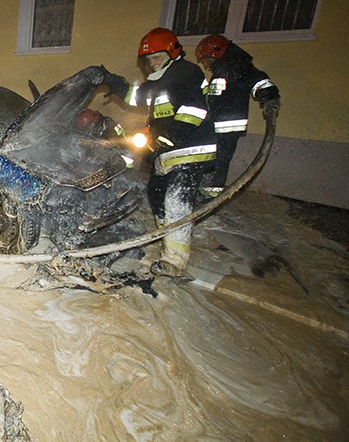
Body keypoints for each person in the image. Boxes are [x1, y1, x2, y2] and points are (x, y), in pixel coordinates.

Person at [107, 27, 217, 278]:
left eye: (157, 57)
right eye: (149, 59)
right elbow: (137, 98)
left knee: (176, 200)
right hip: (166, 151)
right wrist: (113, 82)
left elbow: (194, 111)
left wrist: (170, 136)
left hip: (191, 148)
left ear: (172, 52)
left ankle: (175, 261)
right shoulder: (155, 83)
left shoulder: (186, 73)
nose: (152, 63)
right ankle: (168, 239)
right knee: (155, 194)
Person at [195, 34, 281, 197]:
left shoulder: (237, 66)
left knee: (219, 162)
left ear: (216, 54)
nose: (206, 65)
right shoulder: (223, 70)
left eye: (206, 60)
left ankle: (211, 196)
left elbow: (258, 80)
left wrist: (269, 96)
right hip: (217, 126)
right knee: (210, 160)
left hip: (227, 127)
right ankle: (205, 191)